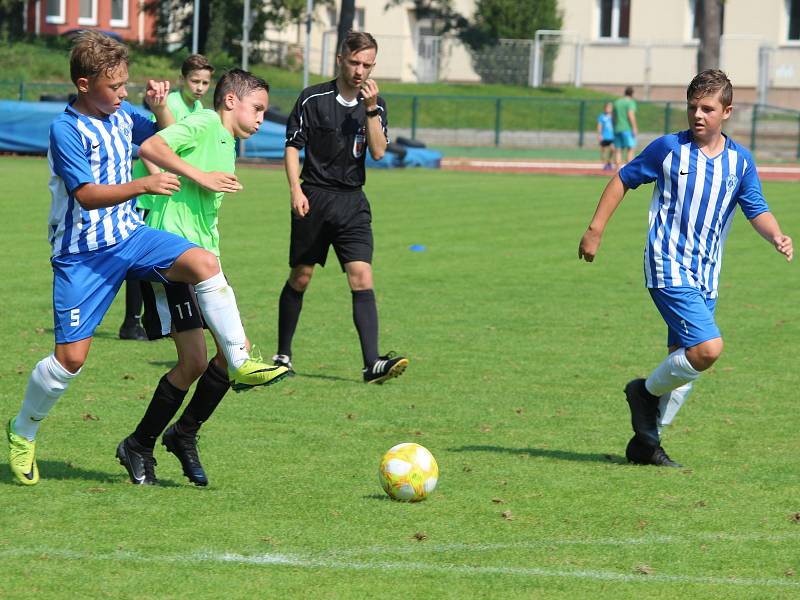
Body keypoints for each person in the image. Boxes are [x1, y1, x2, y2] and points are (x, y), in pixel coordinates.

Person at [5, 31, 287, 487]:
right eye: (114, 87)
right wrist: (144, 185)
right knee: (70, 361)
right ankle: (23, 430)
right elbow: (87, 195)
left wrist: (158, 107)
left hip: (131, 236)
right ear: (83, 84)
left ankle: (237, 360)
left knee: (204, 263)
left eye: (125, 85)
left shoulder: (121, 116)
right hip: (83, 255)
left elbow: (159, 134)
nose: (122, 94)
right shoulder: (67, 130)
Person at [578, 69, 793, 467]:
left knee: (684, 360)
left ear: (727, 111)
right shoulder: (668, 149)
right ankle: (642, 393)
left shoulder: (739, 162)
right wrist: (595, 229)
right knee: (708, 349)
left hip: (706, 272)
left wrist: (777, 235)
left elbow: (756, 208)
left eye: (707, 109)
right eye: (692, 107)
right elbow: (623, 178)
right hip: (666, 261)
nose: (698, 115)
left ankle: (645, 444)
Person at [122, 69, 274, 487]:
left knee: (220, 356)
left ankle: (177, 434)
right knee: (208, 358)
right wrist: (199, 176)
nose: (261, 118)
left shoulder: (226, 141)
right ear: (230, 102)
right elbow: (152, 144)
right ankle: (144, 443)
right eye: (256, 108)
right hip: (170, 254)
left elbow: (205, 215)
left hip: (202, 258)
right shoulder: (207, 122)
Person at [273, 31, 408, 384]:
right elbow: (291, 146)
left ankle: (371, 364)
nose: (360, 70)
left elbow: (378, 152)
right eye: (354, 62)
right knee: (301, 277)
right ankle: (283, 355)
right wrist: (294, 190)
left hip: (352, 202)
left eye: (367, 64)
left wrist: (372, 110)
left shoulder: (375, 104)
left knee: (361, 276)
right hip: (314, 197)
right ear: (340, 60)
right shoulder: (312, 99)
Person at [118, 55, 216, 342]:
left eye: (205, 83)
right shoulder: (170, 103)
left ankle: (170, 319)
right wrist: (157, 180)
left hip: (169, 192)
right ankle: (131, 322)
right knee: (139, 259)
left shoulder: (198, 107)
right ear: (181, 80)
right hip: (150, 195)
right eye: (195, 81)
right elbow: (151, 146)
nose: (199, 88)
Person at [613, 86, 638, 168]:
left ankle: (617, 170)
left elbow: (613, 117)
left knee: (618, 150)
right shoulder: (630, 102)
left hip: (617, 128)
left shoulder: (617, 102)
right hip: (627, 129)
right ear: (632, 94)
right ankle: (629, 170)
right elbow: (630, 115)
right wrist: (634, 127)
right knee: (630, 148)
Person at [597, 102, 615, 170]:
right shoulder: (602, 116)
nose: (608, 109)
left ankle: (609, 162)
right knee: (603, 150)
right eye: (607, 107)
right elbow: (599, 126)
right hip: (604, 136)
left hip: (612, 136)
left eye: (610, 108)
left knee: (613, 149)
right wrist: (599, 134)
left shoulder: (613, 116)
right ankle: (605, 164)